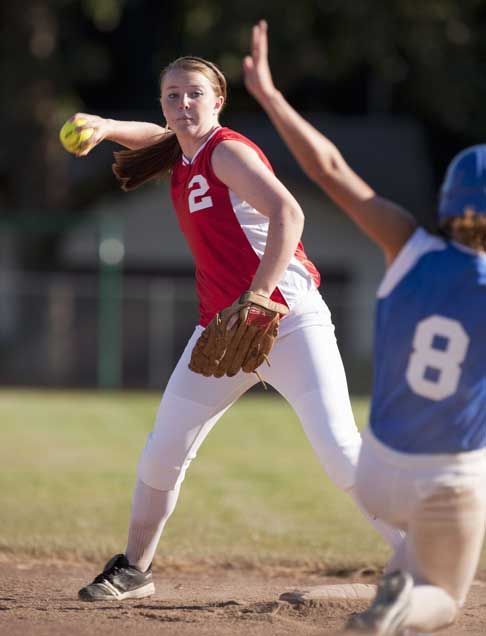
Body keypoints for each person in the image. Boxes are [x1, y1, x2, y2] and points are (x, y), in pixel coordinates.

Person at [72, 54, 402, 602]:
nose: (183, 105)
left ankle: (424, 557)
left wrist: (257, 296)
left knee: (341, 453)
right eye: (172, 95)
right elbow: (153, 135)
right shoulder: (181, 153)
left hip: (289, 321)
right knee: (162, 451)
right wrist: (105, 127)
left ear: (218, 100)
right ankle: (134, 569)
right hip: (223, 328)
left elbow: (289, 213)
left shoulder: (225, 151)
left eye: (195, 94)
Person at [243, 20, 486, 636]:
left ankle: (392, 592)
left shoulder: (409, 246)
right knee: (445, 598)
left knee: (410, 559)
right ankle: (404, 605)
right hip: (448, 475)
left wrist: (269, 95)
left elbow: (328, 167)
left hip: (379, 467)